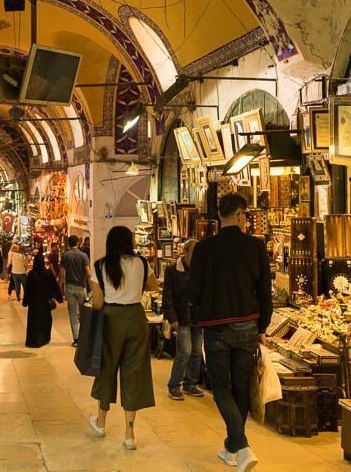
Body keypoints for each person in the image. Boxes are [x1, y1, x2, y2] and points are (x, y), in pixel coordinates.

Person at [190, 193, 272, 472]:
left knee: (221, 388)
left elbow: (193, 292)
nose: (246, 220)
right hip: (247, 326)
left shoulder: (204, 249)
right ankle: (235, 446)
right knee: (241, 388)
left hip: (216, 329)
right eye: (246, 215)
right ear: (239, 214)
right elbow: (264, 291)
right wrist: (263, 326)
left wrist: (204, 308)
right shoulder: (255, 247)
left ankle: (239, 446)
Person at [87, 226, 157, 451]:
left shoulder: (100, 266)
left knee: (107, 368)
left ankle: (101, 422)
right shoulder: (142, 263)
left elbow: (97, 303)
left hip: (111, 319)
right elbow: (153, 287)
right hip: (136, 318)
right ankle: (129, 433)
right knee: (133, 372)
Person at [163, 238, 204, 400]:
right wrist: (172, 317)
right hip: (182, 317)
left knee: (196, 352)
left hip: (198, 317)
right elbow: (168, 296)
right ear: (185, 252)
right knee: (185, 351)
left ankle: (190, 383)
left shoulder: (200, 270)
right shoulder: (172, 270)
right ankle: (174, 385)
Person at [23, 252, 63, 348]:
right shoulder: (48, 273)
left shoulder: (31, 274)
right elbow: (54, 286)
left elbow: (27, 289)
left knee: (33, 321)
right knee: (45, 320)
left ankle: (33, 340)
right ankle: (44, 338)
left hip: (33, 303)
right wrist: (59, 298)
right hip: (45, 303)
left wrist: (25, 301)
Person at [62, 235, 91, 347]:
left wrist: (61, 288)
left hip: (69, 287)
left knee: (73, 313)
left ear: (68, 244)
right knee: (84, 313)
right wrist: (92, 288)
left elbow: (61, 273)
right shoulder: (83, 256)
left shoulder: (65, 255)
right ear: (78, 243)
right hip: (81, 287)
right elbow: (88, 273)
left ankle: (76, 339)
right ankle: (84, 337)